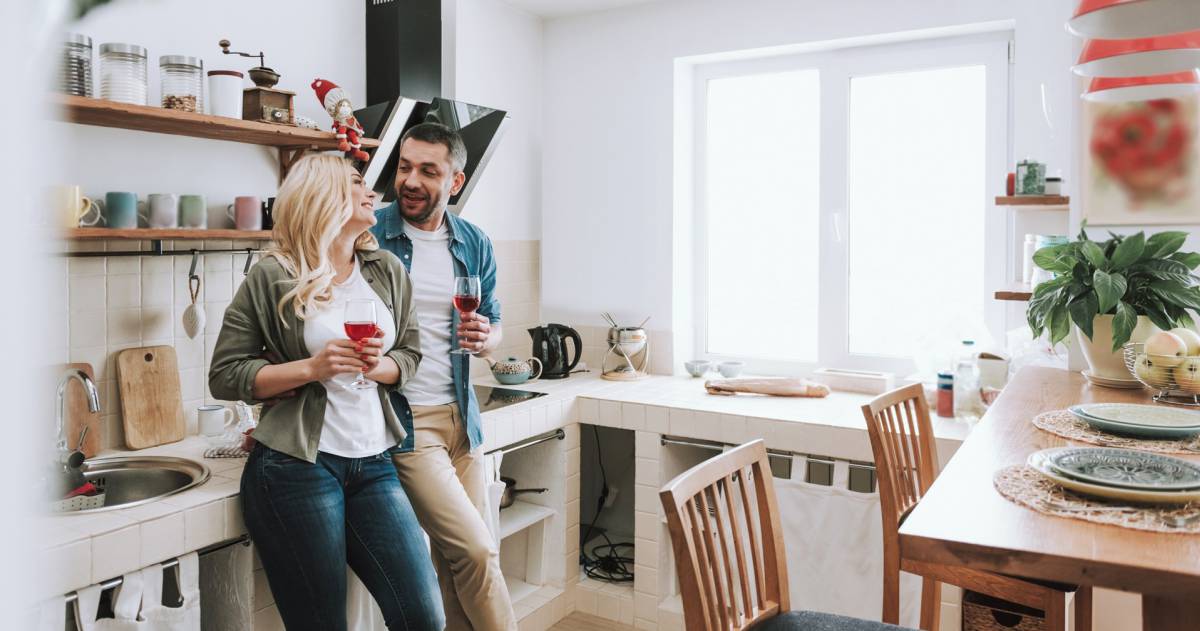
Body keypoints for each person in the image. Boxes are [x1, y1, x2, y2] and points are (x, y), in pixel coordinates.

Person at [209, 154, 444, 631]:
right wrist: (311, 368)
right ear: (326, 194)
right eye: (358, 182)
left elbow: (412, 356)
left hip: (374, 463)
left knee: (423, 615)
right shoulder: (273, 273)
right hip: (297, 469)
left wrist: (379, 367)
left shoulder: (387, 270)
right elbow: (225, 374)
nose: (372, 192)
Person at [371, 122, 516, 630]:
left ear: (454, 181)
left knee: (457, 564)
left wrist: (486, 338)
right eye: (405, 167)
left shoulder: (472, 240)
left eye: (428, 171)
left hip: (463, 420)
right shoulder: (370, 235)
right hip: (408, 425)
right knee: (477, 553)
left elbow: (494, 322)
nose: (410, 180)